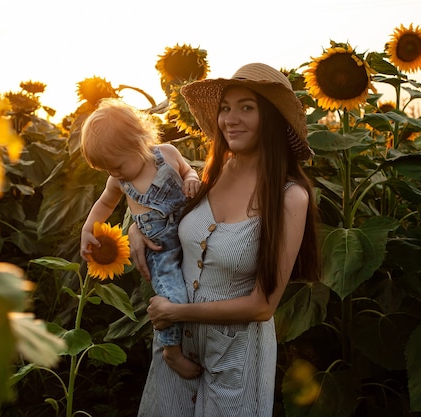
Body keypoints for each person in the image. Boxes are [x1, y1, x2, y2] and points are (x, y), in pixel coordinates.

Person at [130, 63, 321, 417]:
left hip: (235, 357)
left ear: (273, 117)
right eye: (226, 108)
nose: (230, 119)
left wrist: (178, 311)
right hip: (177, 348)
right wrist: (135, 229)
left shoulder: (290, 197)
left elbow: (263, 305)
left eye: (247, 107)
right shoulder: (213, 173)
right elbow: (158, 212)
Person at [79, 98, 202, 379]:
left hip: (192, 233)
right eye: (108, 170)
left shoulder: (168, 154)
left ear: (138, 142)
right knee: (173, 299)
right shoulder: (119, 181)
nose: (114, 173)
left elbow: (187, 170)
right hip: (161, 251)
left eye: (117, 165)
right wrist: (88, 228)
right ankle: (172, 351)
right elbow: (104, 205)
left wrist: (191, 178)